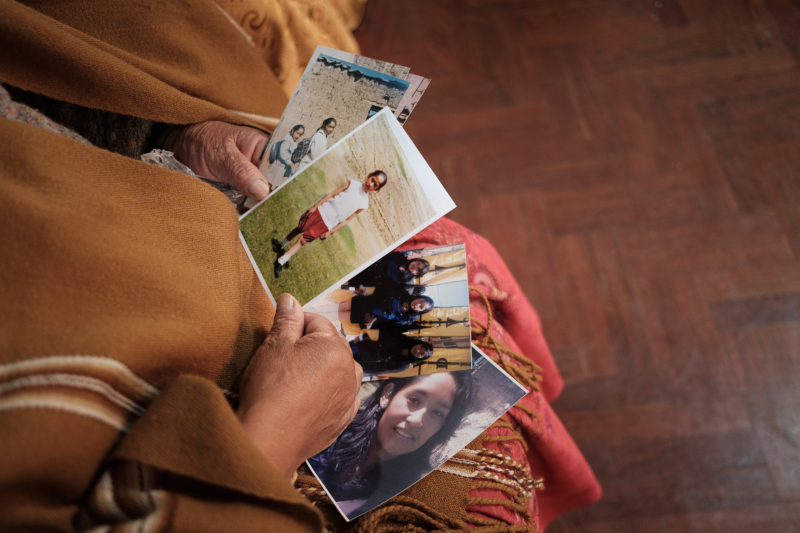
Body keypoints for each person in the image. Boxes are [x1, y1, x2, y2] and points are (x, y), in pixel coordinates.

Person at [308, 371, 473, 517]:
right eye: (414, 400)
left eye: (437, 413)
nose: (416, 421)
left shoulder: (405, 500)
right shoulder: (327, 426)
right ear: (387, 395)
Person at [271, 171, 388, 277]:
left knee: (303, 239)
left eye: (375, 185)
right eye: (372, 180)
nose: (371, 184)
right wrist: (314, 207)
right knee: (299, 229)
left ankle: (281, 261)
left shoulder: (364, 204)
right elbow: (332, 194)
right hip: (321, 211)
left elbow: (347, 220)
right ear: (369, 175)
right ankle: (281, 244)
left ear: (376, 190)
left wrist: (330, 231)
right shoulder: (352, 183)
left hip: (328, 224)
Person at [339, 285, 434, 329]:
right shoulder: (403, 292)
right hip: (366, 301)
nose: (417, 304)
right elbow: (382, 289)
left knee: (340, 316)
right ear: (420, 297)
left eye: (421, 307)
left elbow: (388, 327)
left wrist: (373, 323)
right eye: (420, 301)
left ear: (420, 311)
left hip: (367, 316)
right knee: (340, 307)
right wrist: (365, 291)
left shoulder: (405, 319)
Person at [349, 328, 434, 375]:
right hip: (358, 348)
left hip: (361, 363)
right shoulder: (401, 338)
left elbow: (380, 370)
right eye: (421, 347)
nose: (418, 350)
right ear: (419, 343)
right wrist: (364, 336)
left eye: (421, 353)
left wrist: (359, 370)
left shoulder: (404, 365)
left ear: (419, 358)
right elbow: (380, 335)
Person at [348, 250, 430, 288]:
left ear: (417, 274)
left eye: (418, 269)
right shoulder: (400, 256)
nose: (415, 266)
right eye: (418, 264)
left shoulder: (403, 281)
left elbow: (384, 287)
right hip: (366, 265)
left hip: (366, 280)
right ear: (417, 260)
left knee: (347, 281)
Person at [265, 124, 304, 191]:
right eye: (297, 133)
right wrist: (288, 161)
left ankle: (271, 190)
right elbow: (282, 152)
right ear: (293, 131)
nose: (298, 136)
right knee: (271, 178)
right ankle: (267, 190)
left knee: (276, 179)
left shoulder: (293, 141)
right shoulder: (287, 140)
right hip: (279, 164)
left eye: (300, 135)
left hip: (283, 165)